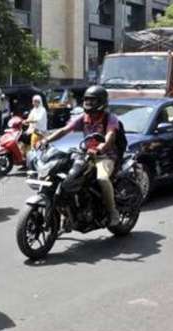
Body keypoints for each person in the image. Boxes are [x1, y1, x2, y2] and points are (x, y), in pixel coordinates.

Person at [37, 85, 121, 227]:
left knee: (102, 178)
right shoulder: (84, 117)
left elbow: (110, 135)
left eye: (93, 101)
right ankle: (69, 211)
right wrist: (47, 140)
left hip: (105, 156)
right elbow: (65, 130)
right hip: (85, 155)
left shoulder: (110, 118)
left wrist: (101, 147)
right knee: (66, 177)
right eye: (87, 100)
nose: (89, 103)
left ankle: (113, 212)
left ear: (101, 101)